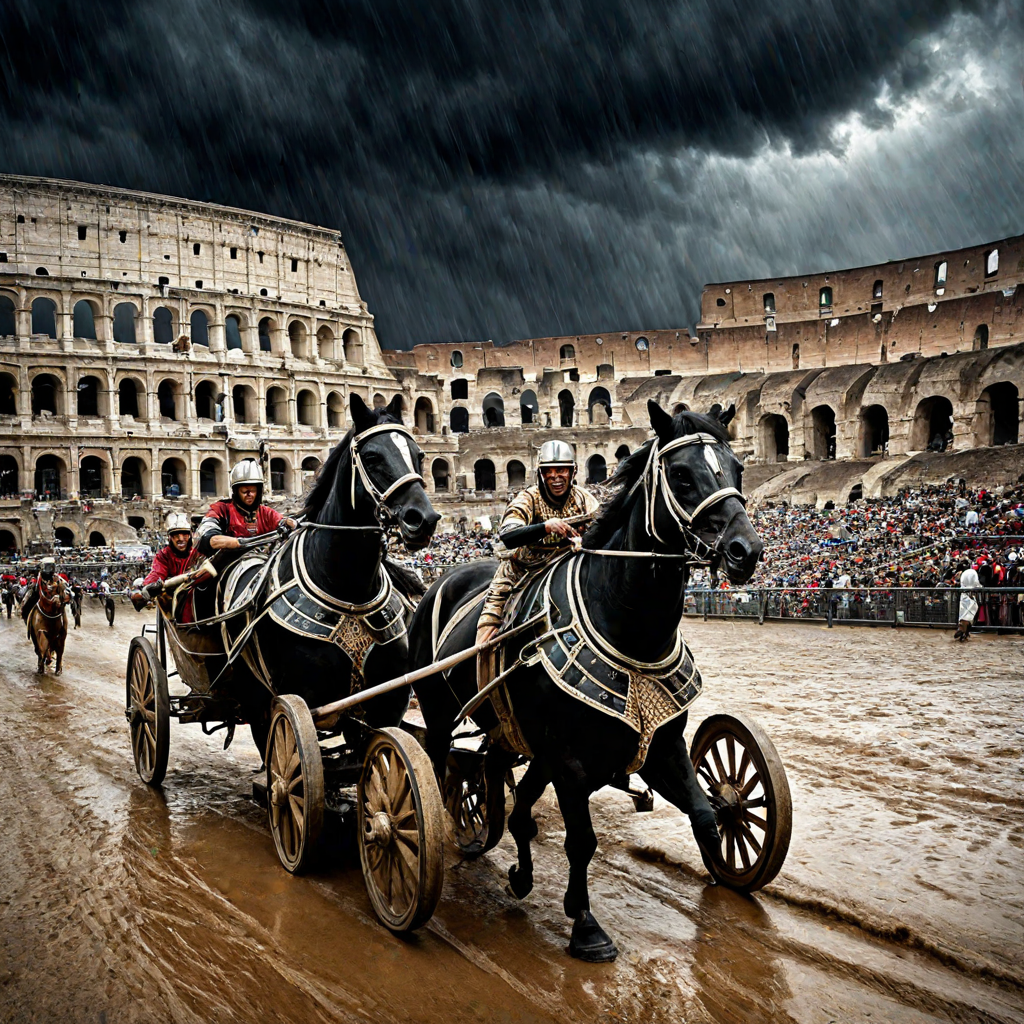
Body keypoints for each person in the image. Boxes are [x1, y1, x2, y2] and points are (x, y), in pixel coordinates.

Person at [475, 440, 599, 657]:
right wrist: (545, 527)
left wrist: (585, 541)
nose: (555, 476)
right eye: (548, 471)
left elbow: (604, 528)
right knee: (486, 632)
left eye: (561, 470)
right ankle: (481, 674)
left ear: (572, 471)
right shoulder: (528, 498)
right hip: (522, 569)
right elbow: (508, 535)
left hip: (570, 565)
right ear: (541, 474)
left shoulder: (584, 499)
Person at [194, 459, 297, 556]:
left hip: (262, 558)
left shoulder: (266, 512)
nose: (249, 495)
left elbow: (281, 521)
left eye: (253, 490)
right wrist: (236, 542)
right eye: (244, 491)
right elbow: (206, 536)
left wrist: (290, 522)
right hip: (226, 559)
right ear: (236, 491)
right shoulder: (221, 509)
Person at [130, 513, 194, 610]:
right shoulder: (164, 555)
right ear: (170, 538)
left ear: (190, 536)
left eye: (185, 534)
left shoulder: (197, 554)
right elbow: (157, 573)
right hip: (173, 597)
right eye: (176, 535)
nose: (181, 539)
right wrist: (149, 587)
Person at [21, 557, 68, 623]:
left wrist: (59, 584)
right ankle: (26, 616)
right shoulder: (38, 574)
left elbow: (65, 585)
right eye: (48, 566)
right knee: (28, 599)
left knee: (62, 605)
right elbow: (34, 582)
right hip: (39, 594)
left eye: (52, 566)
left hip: (53, 595)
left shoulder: (55, 576)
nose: (50, 569)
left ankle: (64, 626)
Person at [953, 559, 981, 642]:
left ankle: (962, 630)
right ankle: (964, 632)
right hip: (971, 596)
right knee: (969, 616)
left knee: (963, 615)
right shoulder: (972, 572)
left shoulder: (963, 574)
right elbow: (976, 584)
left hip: (964, 596)